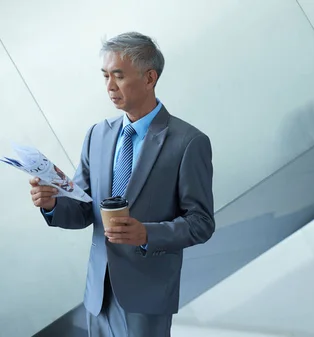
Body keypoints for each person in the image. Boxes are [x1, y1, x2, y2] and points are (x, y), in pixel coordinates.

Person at [28, 31, 215, 336]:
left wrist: (146, 234)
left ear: (149, 78)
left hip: (147, 296)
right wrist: (51, 203)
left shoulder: (188, 143)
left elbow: (201, 223)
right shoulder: (97, 135)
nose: (109, 87)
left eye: (118, 76)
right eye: (105, 76)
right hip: (98, 295)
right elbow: (81, 210)